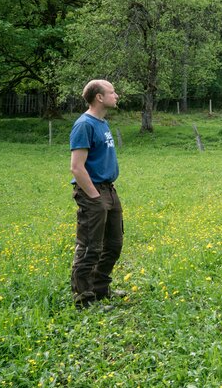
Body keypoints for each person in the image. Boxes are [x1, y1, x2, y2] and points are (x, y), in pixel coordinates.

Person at [69, 79, 125, 309]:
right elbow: (76, 167)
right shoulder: (84, 125)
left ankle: (101, 289)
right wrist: (94, 197)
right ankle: (84, 299)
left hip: (109, 190)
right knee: (91, 246)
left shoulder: (102, 123)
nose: (117, 95)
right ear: (99, 97)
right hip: (93, 192)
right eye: (112, 92)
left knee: (113, 244)